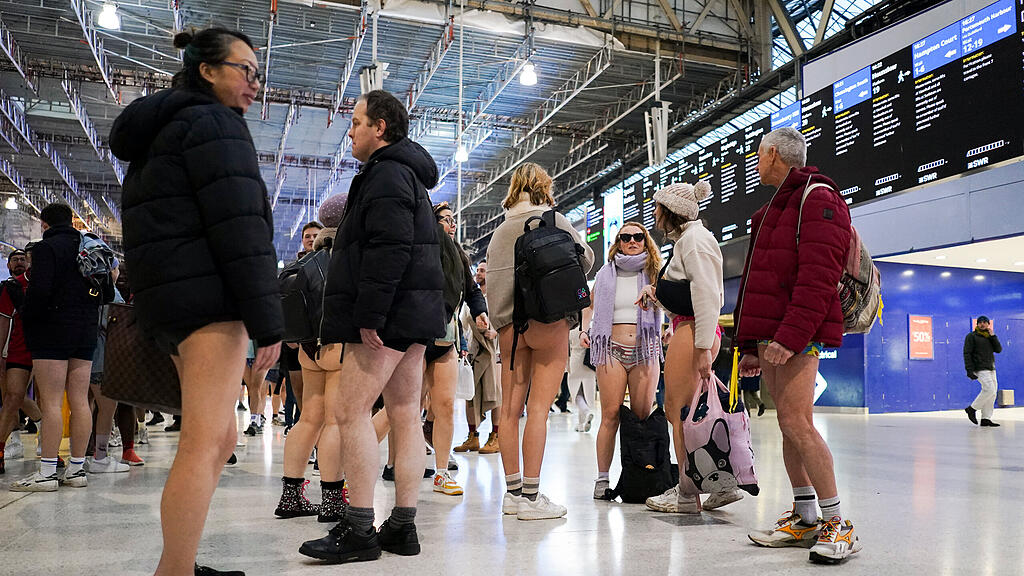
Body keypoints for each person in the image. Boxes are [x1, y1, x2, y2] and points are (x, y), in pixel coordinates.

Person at [110, 27, 283, 576]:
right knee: (205, 440)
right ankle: (175, 570)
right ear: (207, 71)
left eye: (259, 73)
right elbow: (241, 231)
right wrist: (269, 321)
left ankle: (178, 564)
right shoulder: (214, 125)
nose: (255, 82)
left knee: (220, 434)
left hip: (175, 298)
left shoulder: (164, 129)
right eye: (245, 70)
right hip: (208, 300)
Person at [299, 89, 444, 564]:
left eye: (357, 121)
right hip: (415, 315)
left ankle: (359, 526)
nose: (351, 130)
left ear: (380, 127)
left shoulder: (384, 175)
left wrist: (370, 314)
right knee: (403, 414)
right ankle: (401, 526)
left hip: (389, 316)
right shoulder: (409, 176)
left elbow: (388, 248)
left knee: (350, 410)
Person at [733, 127, 860, 564]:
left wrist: (790, 336)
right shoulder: (771, 210)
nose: (755, 160)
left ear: (772, 154)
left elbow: (819, 277)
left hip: (796, 334)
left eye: (758, 153)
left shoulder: (819, 198)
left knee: (798, 423)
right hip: (772, 334)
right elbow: (757, 284)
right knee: (788, 425)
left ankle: (839, 522)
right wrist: (750, 343)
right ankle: (806, 517)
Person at [486, 162, 594, 520]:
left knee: (509, 412)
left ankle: (512, 494)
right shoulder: (555, 221)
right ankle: (532, 498)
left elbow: (493, 285)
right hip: (549, 323)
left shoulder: (500, 232)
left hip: (509, 330)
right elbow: (585, 259)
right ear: (544, 187)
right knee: (538, 412)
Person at [637, 182, 738, 514]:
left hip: (694, 331)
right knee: (693, 413)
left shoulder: (694, 242)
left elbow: (707, 297)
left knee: (677, 412)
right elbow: (688, 292)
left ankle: (686, 492)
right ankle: (717, 484)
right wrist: (657, 296)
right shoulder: (689, 241)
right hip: (688, 328)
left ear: (671, 212)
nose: (654, 214)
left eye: (657, 208)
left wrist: (701, 348)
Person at [10, 204, 101, 493]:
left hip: (52, 330)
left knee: (50, 401)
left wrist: (26, 314)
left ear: (44, 223)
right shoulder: (87, 244)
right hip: (86, 329)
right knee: (79, 400)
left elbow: (40, 291)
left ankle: (47, 471)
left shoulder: (47, 248)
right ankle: (76, 469)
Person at [274, 193, 348, 523]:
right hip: (339, 346)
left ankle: (291, 496)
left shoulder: (303, 262)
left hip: (306, 349)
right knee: (335, 421)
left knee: (308, 419)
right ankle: (333, 500)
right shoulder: (349, 258)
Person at [581, 221, 662, 500]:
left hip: (645, 350)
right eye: (625, 237)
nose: (632, 241)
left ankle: (639, 473)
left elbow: (670, 302)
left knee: (641, 417)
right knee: (611, 415)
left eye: (638, 236)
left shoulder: (655, 273)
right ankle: (602, 479)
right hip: (610, 349)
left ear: (645, 241)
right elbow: (589, 305)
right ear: (618, 242)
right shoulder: (605, 273)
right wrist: (583, 329)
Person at [420, 201, 489, 495]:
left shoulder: (459, 256)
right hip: (418, 337)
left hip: (448, 339)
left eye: (453, 220)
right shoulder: (422, 248)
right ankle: (361, 460)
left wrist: (480, 311)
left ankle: (441, 473)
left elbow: (472, 290)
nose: (452, 225)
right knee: (405, 408)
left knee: (445, 406)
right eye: (446, 219)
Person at [85, 259, 132, 474]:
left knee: (84, 405)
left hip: (81, 357)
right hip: (102, 358)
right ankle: (100, 457)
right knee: (108, 406)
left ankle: (80, 455)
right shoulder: (110, 292)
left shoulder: (83, 287)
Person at [454, 259, 502, 455]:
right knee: (470, 396)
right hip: (474, 352)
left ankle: (496, 437)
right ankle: (473, 437)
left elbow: (508, 321)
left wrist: (496, 332)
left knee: (496, 394)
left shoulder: (497, 297)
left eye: (483, 271)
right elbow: (464, 324)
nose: (479, 273)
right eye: (478, 270)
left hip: (495, 353)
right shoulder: (471, 300)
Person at [0, 249, 37, 473]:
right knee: (13, 396)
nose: (22, 262)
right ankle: (5, 445)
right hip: (17, 351)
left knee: (47, 398)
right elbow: (3, 322)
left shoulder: (52, 285)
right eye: (17, 259)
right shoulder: (10, 288)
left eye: (25, 258)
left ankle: (48, 445)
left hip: (48, 351)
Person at [964, 315, 1002, 427]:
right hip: (979, 368)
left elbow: (998, 350)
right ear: (977, 324)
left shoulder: (990, 337)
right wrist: (969, 370)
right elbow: (967, 353)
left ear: (988, 324)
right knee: (989, 390)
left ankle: (986, 418)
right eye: (980, 322)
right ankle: (972, 409)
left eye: (985, 322)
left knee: (993, 393)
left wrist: (993, 336)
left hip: (991, 367)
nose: (982, 324)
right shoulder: (971, 336)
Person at [567, 326, 596, 432]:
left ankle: (587, 412)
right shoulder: (589, 327)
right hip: (589, 363)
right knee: (586, 393)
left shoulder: (571, 328)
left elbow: (566, 348)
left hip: (575, 360)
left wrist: (566, 366)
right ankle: (580, 425)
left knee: (576, 393)